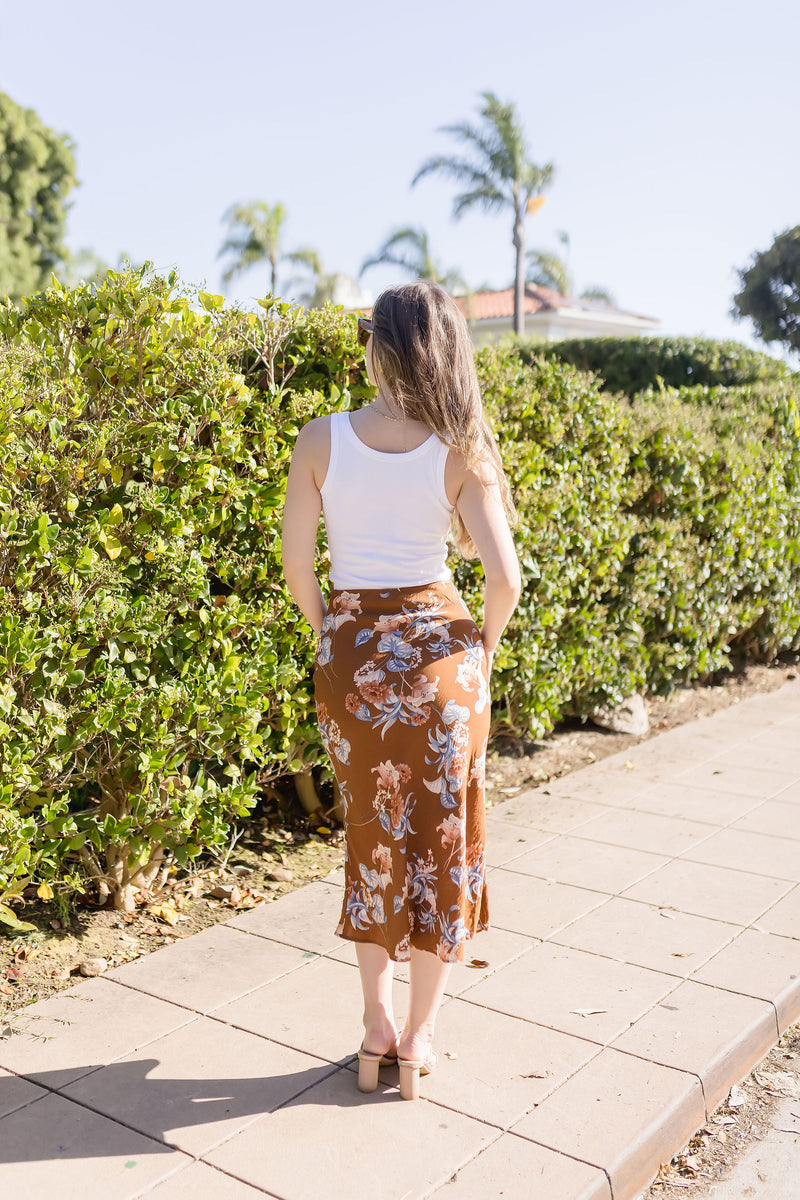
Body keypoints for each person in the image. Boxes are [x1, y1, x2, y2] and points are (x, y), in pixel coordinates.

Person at [281, 281, 521, 1100]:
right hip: (442, 667)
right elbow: (504, 581)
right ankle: (418, 1040)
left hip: (352, 667)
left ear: (379, 347)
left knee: (373, 837)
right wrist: (476, 656)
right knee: (442, 845)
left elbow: (297, 571)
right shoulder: (461, 449)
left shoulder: (321, 439)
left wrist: (334, 633)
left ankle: (374, 1027)